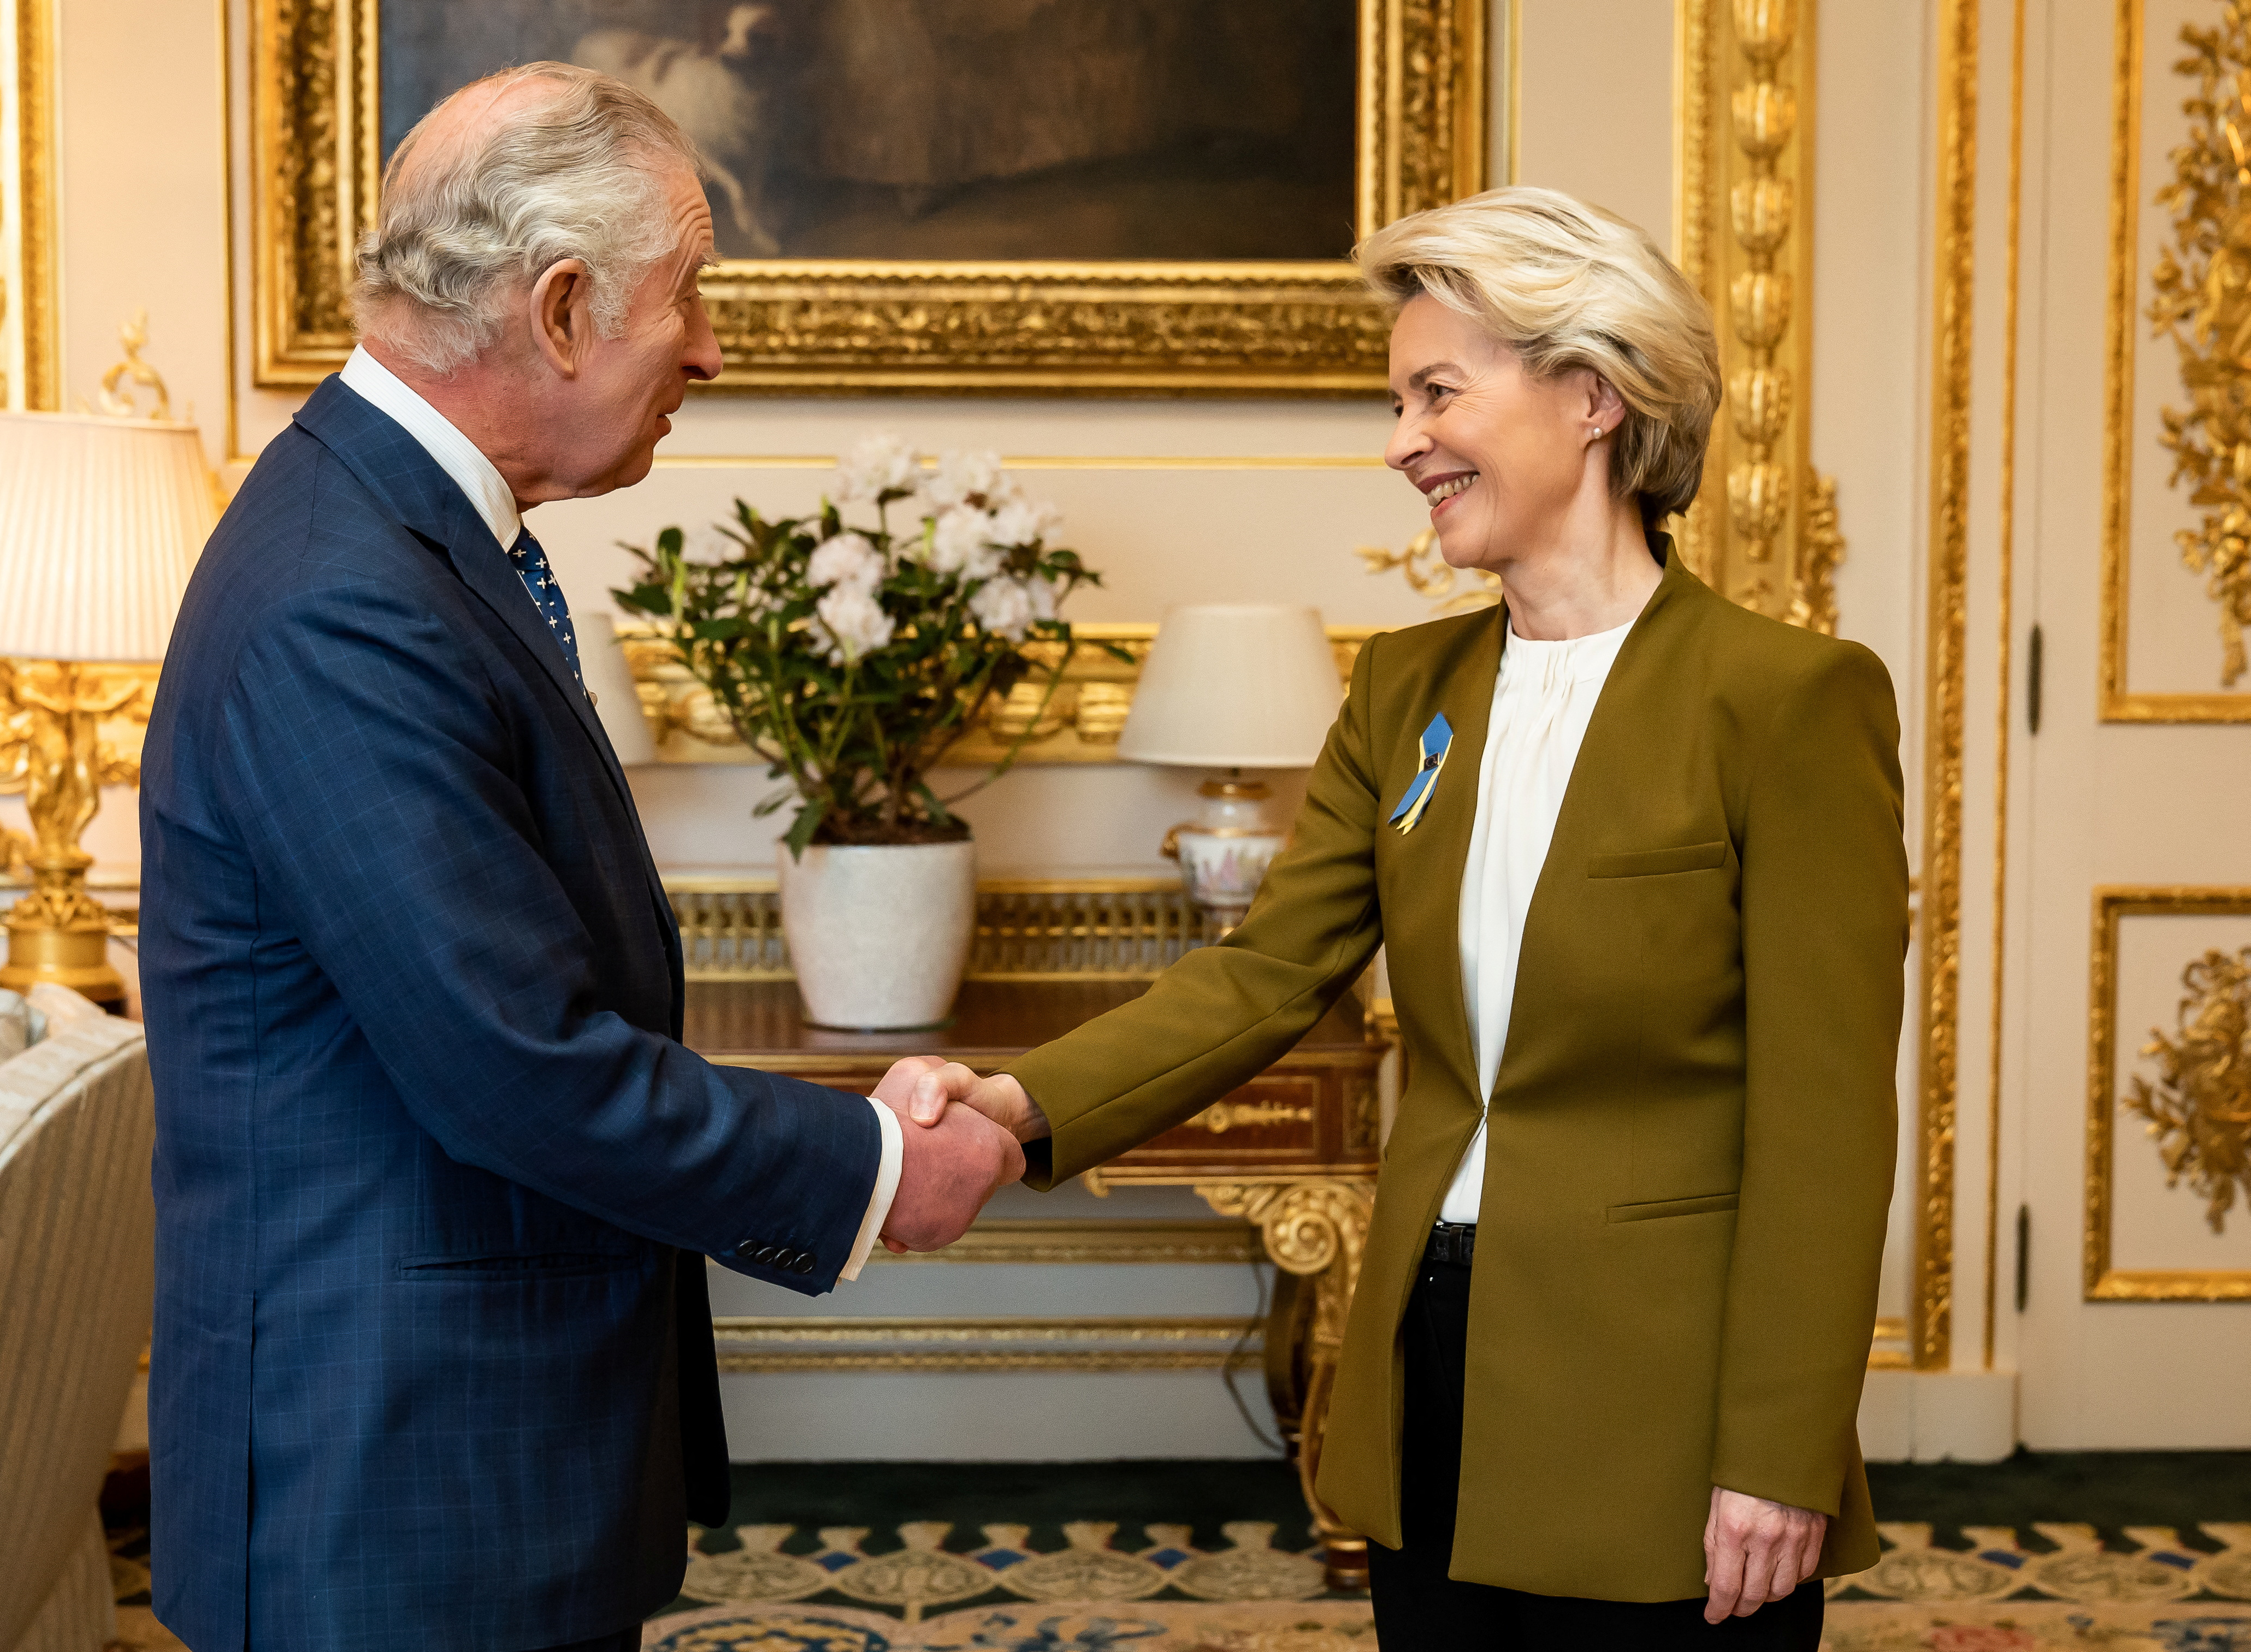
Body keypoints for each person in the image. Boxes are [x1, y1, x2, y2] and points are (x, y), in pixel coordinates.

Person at [888, 187, 1907, 1650]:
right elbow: (1259, 979)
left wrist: (1778, 1444)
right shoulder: (1402, 690)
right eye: (1394, 399)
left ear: (1592, 396)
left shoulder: (1784, 701)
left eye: (1437, 391)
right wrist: (1011, 1104)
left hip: (1662, 1393)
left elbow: (1824, 1123)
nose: (1400, 441)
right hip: (1429, 1359)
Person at [138, 64, 1024, 1652]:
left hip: (459, 1462)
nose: (709, 345)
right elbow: (515, 1065)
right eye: (685, 292)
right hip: (394, 1497)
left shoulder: (399, 540)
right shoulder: (346, 594)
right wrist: (880, 1167)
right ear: (557, 310)